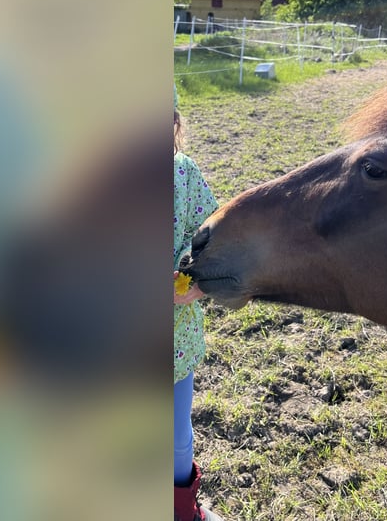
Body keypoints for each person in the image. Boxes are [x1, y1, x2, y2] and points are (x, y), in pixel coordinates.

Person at [173, 86, 223, 521]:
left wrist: (198, 286)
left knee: (177, 436)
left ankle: (181, 510)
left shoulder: (184, 174)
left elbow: (215, 241)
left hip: (174, 338)